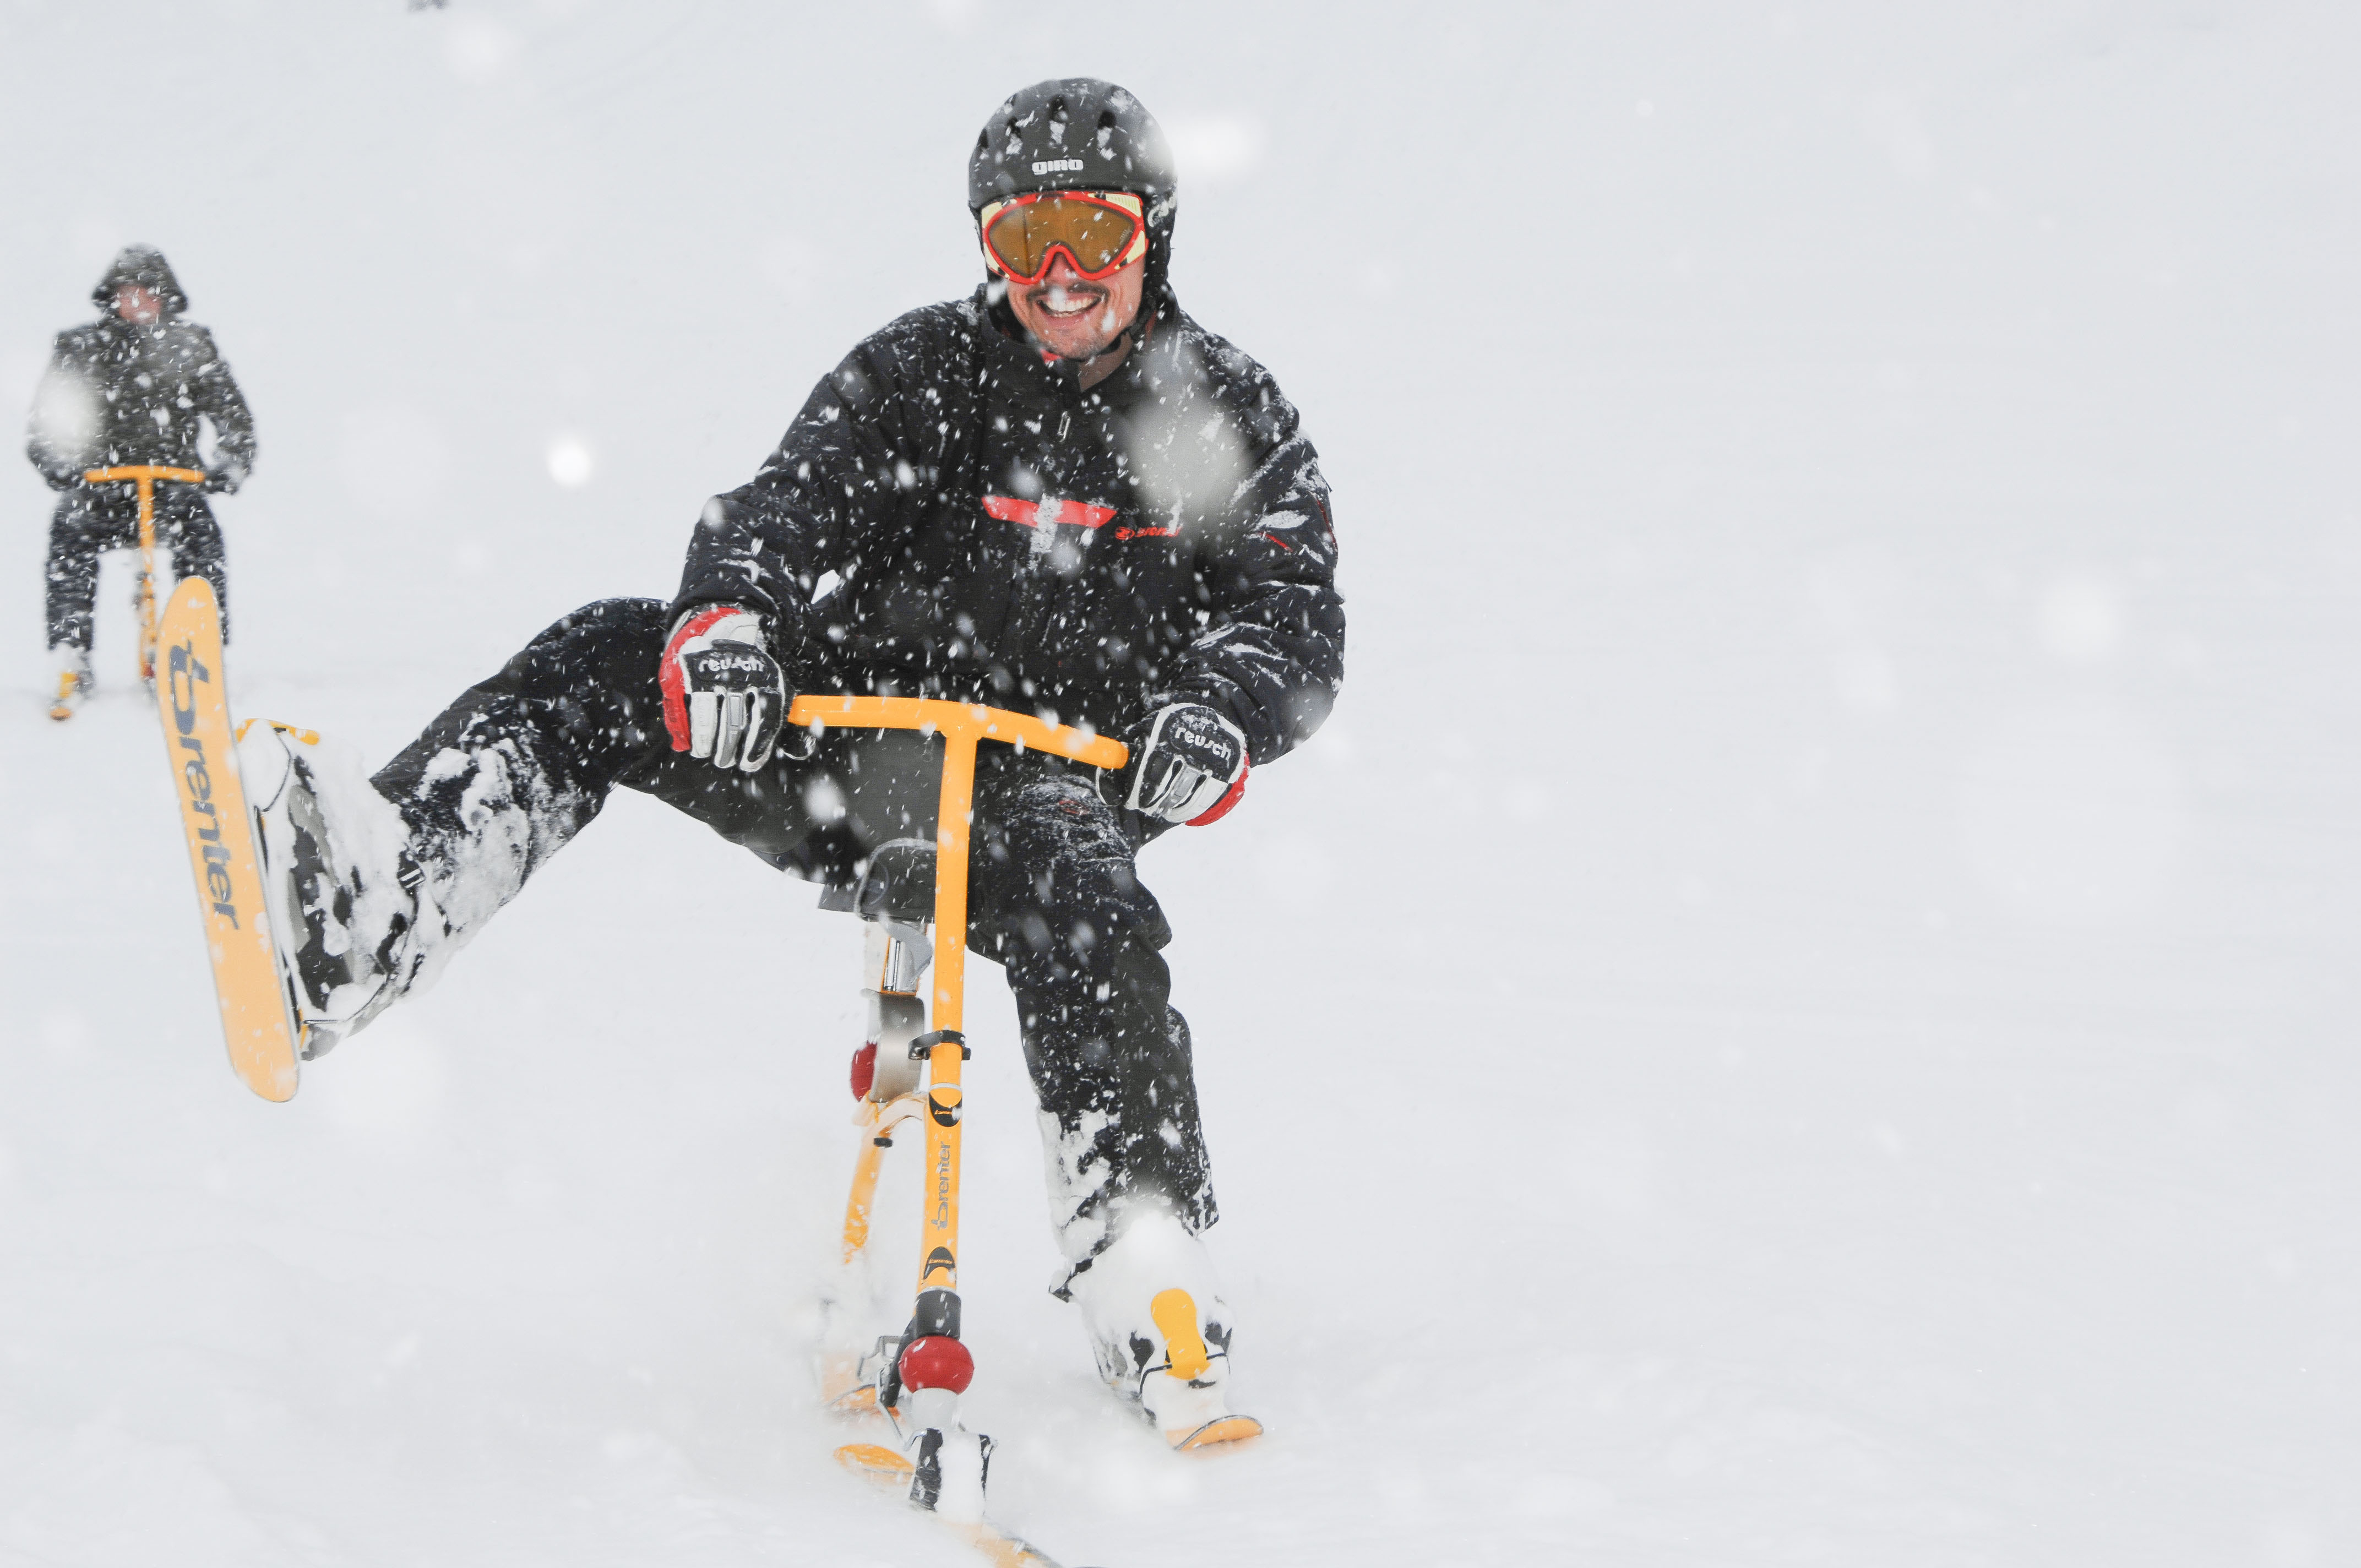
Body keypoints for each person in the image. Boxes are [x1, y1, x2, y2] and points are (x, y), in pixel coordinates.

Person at [241, 79, 1342, 1451]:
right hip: (860, 750)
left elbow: (1289, 616)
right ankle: (380, 901)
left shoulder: (1220, 410)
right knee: (600, 650)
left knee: (1089, 911)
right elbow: (777, 509)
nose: (1060, 278)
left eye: (1092, 236)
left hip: (1054, 776)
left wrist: (1219, 711)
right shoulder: (923, 373)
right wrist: (728, 628)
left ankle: (1142, 1254)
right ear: (986, 249)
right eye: (1023, 240)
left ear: (1152, 235)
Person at [26, 246, 255, 717]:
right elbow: (47, 421)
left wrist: (229, 464)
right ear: (112, 299)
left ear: (166, 298)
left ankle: (199, 649)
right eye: (129, 293)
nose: (139, 302)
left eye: (149, 293)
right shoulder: (80, 347)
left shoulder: (191, 345)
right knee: (70, 535)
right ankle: (72, 652)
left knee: (203, 541)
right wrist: (59, 463)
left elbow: (233, 416)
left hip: (174, 483)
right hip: (100, 484)